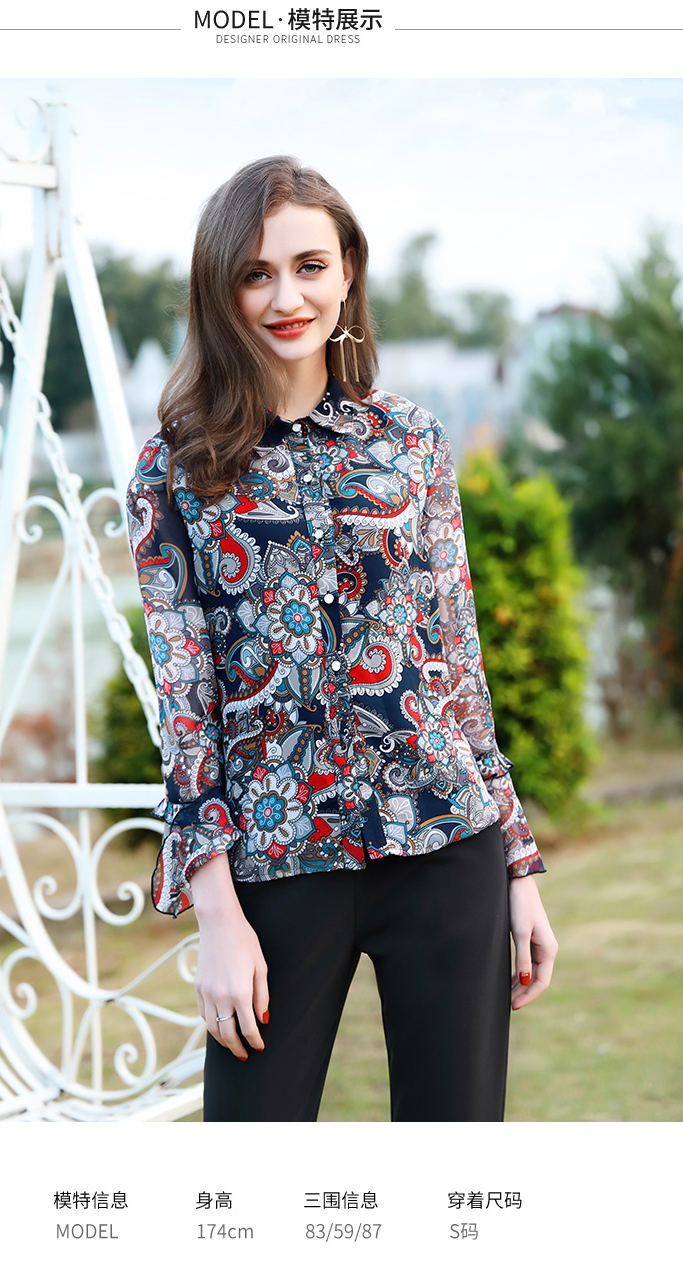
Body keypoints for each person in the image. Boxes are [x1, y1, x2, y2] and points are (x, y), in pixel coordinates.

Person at [126, 155, 558, 1123]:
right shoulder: (173, 470)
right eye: (256, 273)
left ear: (349, 270)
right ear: (221, 289)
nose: (287, 298)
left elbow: (456, 668)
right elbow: (186, 710)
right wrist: (215, 913)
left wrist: (518, 866)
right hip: (276, 865)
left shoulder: (411, 441)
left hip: (445, 843)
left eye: (310, 266)